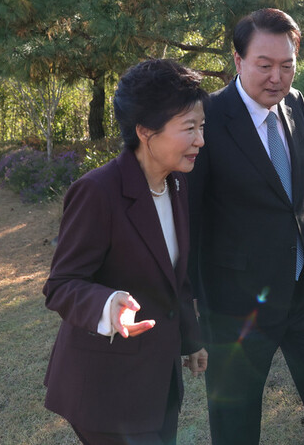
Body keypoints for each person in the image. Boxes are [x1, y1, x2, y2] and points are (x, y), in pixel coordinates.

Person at [187, 8, 304, 445]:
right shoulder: (207, 117)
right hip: (236, 303)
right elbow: (188, 214)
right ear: (238, 61)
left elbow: (303, 177)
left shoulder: (295, 103)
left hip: (302, 288)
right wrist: (188, 303)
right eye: (264, 65)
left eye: (286, 65)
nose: (277, 77)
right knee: (236, 417)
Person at [43, 59, 209, 445]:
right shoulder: (97, 192)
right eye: (189, 129)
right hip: (106, 392)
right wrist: (108, 304)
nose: (201, 140)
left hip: (158, 387)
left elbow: (174, 279)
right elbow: (61, 285)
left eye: (202, 127)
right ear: (145, 131)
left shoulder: (177, 186)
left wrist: (191, 338)